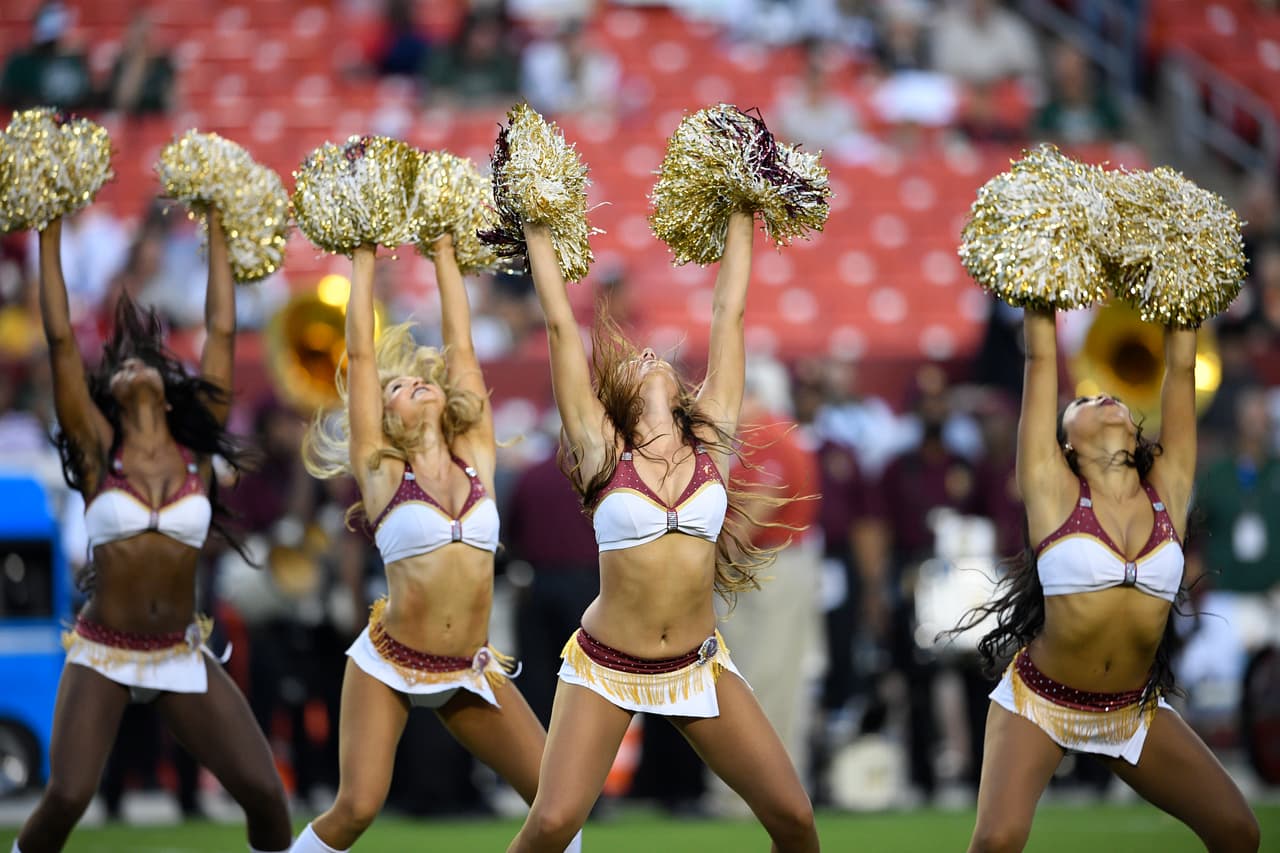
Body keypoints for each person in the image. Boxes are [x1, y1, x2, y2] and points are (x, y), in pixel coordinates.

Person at [509, 213, 819, 852]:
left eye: (656, 355)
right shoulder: (602, 452)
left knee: (793, 818)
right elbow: (561, 328)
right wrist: (538, 228)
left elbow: (729, 313)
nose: (648, 355)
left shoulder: (712, 445)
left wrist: (740, 209)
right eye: (635, 359)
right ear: (615, 394)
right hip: (607, 665)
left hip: (697, 663)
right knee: (552, 823)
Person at [15, 211, 292, 853]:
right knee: (66, 797)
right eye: (120, 363)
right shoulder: (97, 454)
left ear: (169, 392)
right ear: (110, 391)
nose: (133, 366)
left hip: (178, 649)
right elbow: (60, 339)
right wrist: (49, 224)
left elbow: (222, 329)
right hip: (104, 649)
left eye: (146, 361)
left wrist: (218, 225)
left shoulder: (196, 458)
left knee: (264, 795)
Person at [292, 234, 579, 853]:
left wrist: (446, 251)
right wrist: (362, 256)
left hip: (471, 666)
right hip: (390, 663)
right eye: (398, 388)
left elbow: (462, 347)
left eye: (422, 381)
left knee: (558, 809)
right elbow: (360, 355)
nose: (414, 385)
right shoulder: (383, 472)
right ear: (384, 418)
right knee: (355, 810)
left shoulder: (475, 457)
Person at [958, 308, 1260, 853]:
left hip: (1130, 709)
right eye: (1081, 402)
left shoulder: (1167, 487)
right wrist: (1040, 293)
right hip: (1040, 702)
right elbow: (1040, 355)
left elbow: (1182, 367)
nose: (1100, 397)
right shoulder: (1052, 490)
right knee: (997, 841)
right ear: (1065, 445)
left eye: (1106, 396)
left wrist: (1183, 289)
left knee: (1239, 833)